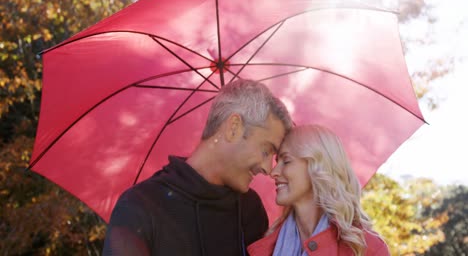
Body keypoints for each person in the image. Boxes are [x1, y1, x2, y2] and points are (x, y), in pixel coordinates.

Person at [102, 79, 293, 256]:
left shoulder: (250, 209)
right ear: (233, 127)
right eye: (267, 151)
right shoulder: (140, 206)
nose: (269, 169)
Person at [247, 125, 390, 256]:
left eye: (286, 161)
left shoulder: (366, 249)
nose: (274, 172)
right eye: (277, 161)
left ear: (317, 166)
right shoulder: (265, 246)